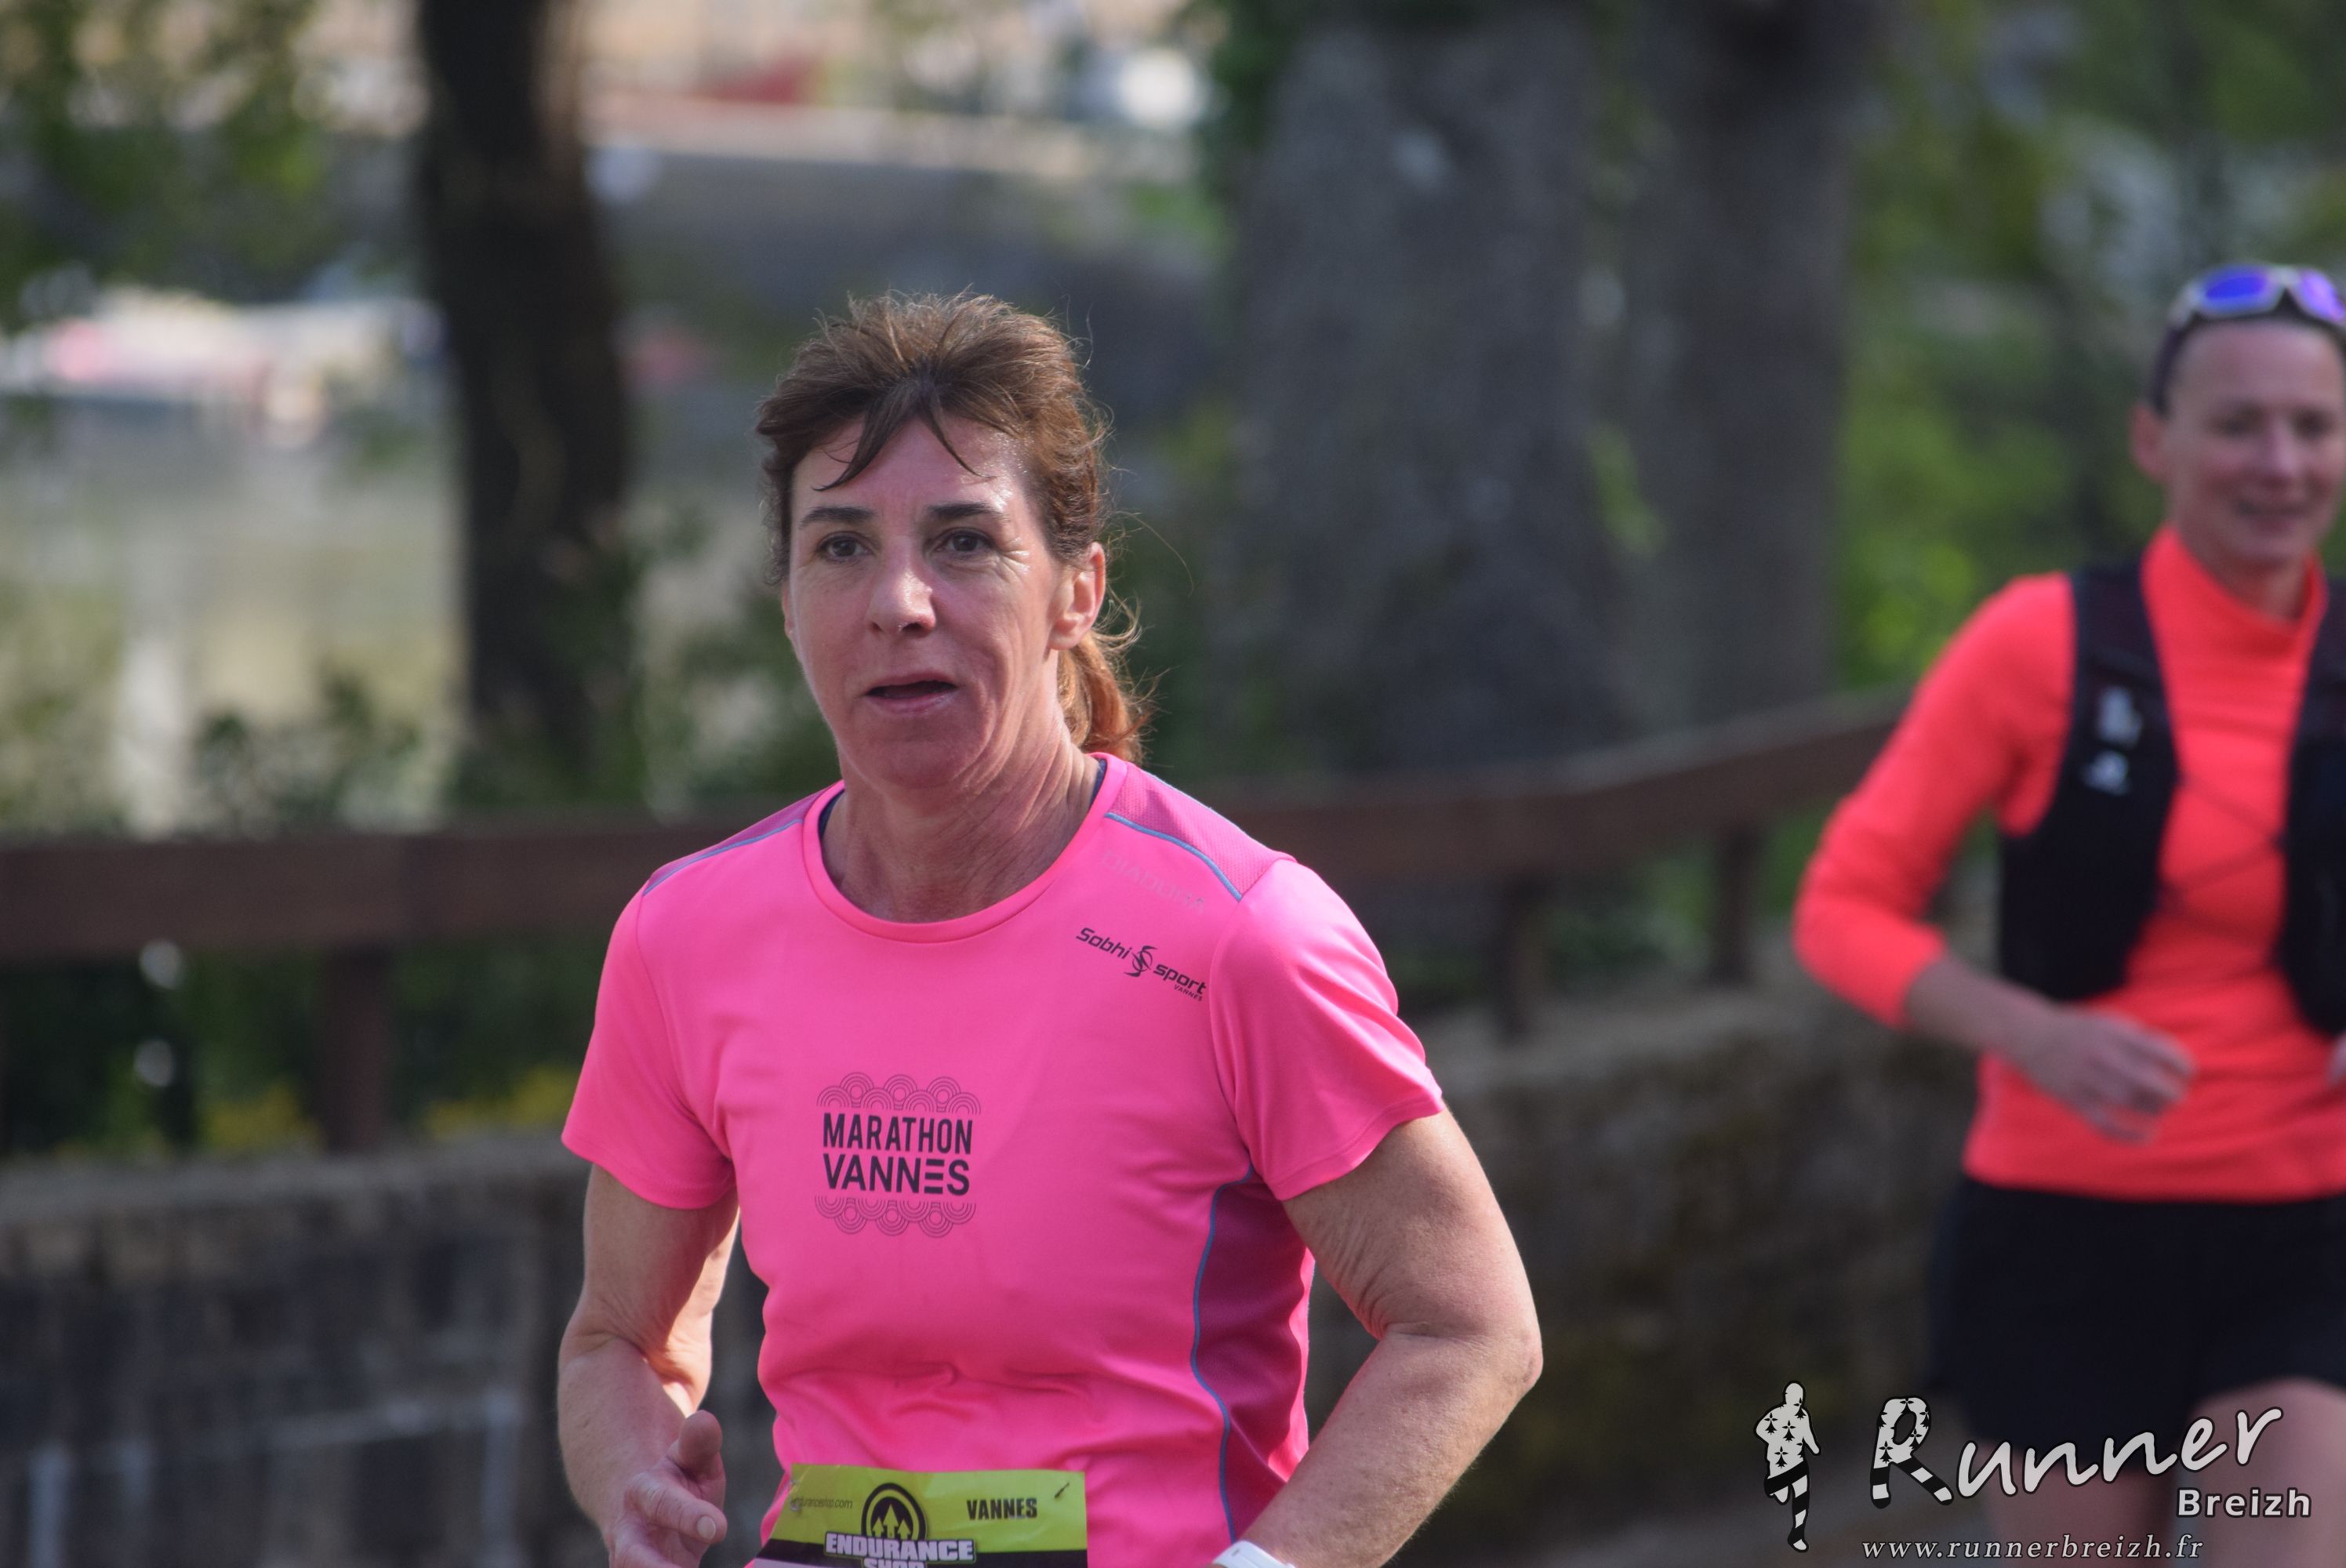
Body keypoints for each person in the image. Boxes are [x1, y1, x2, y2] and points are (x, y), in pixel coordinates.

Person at [554, 292, 1542, 1568]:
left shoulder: (1240, 938)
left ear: (1078, 589)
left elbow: (1468, 1327)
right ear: (788, 601)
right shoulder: (686, 935)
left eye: (964, 542)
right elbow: (617, 1342)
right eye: (840, 547)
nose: (899, 601)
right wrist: (632, 1478)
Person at [1795, 262, 2346, 1564]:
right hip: (2064, 1234)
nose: (2280, 464)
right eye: (2238, 425)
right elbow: (1842, 907)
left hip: (2304, 1224)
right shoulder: (2037, 644)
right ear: (2155, 441)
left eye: (2313, 427)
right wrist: (2028, 1033)